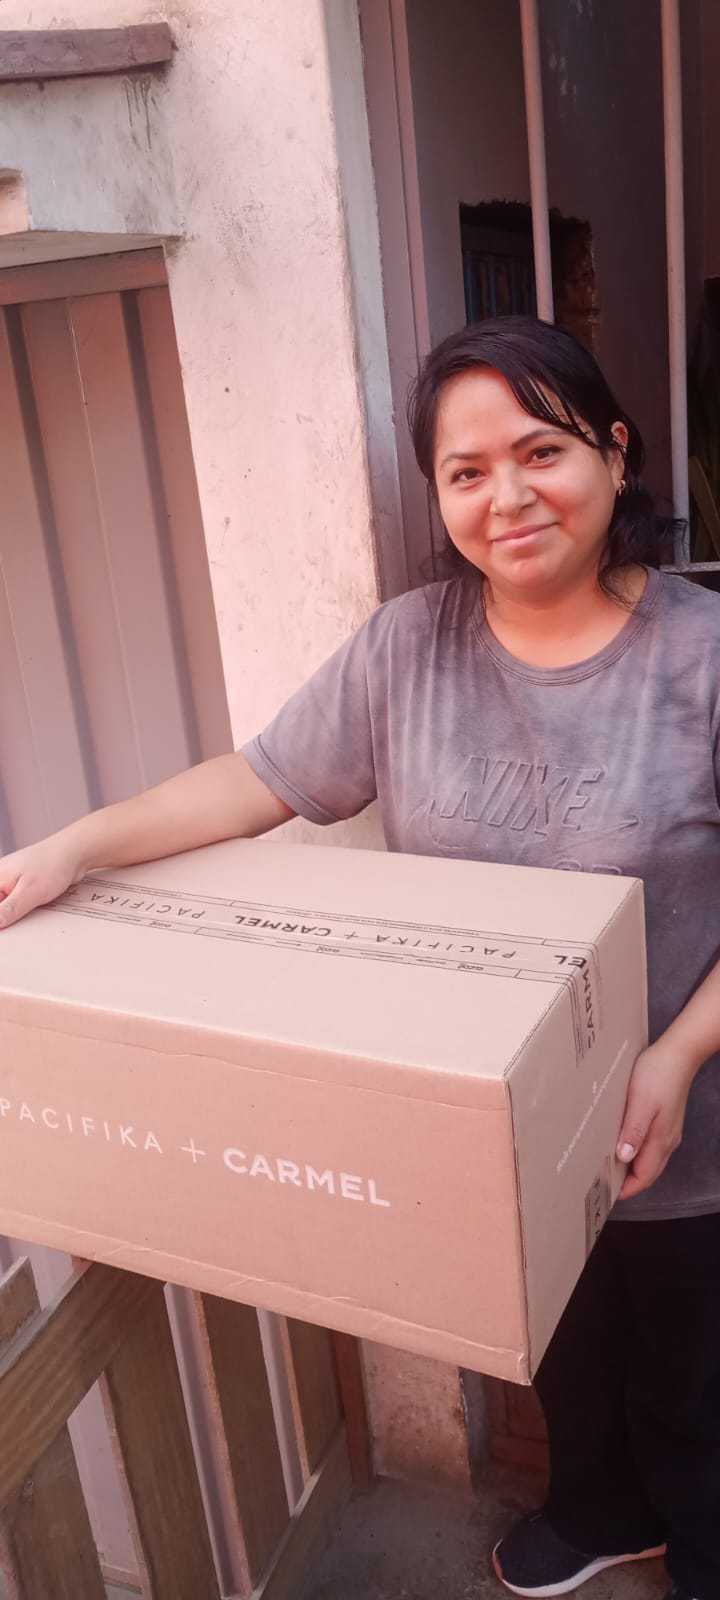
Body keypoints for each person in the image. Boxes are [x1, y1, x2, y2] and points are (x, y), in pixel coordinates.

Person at [1, 316, 718, 1600]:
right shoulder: (406, 648)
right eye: (466, 471)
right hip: (517, 1135)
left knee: (698, 1380)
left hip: (688, 1131)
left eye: (541, 451)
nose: (508, 497)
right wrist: (73, 848)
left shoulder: (703, 657)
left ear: (616, 453)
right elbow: (256, 781)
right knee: (563, 1347)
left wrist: (675, 1055)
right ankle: (600, 1510)